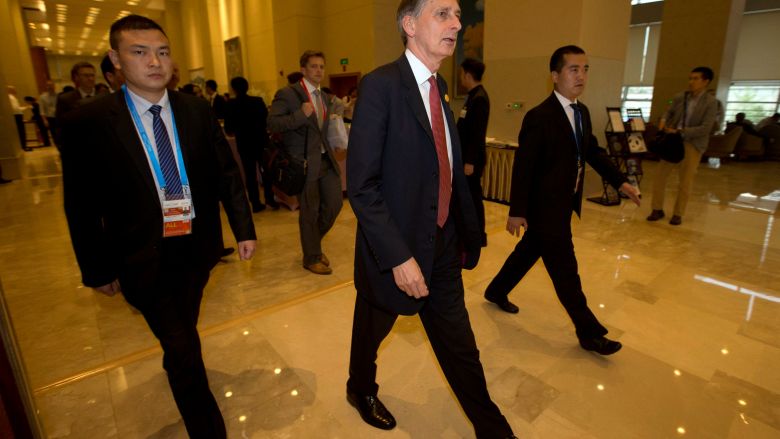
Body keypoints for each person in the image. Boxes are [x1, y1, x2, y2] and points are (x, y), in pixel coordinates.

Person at [61, 15, 256, 438]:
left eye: (163, 52)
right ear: (115, 59)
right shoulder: (88, 123)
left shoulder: (196, 110)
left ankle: (177, 352)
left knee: (182, 329)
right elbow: (80, 204)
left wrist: (244, 229)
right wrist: (96, 269)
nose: (154, 62)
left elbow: (226, 174)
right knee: (184, 346)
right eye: (139, 52)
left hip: (197, 249)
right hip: (139, 256)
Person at [346, 1, 516, 437]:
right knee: (371, 329)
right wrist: (398, 257)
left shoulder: (440, 89)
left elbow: (449, 170)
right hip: (394, 250)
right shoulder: (381, 86)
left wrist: (466, 234)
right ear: (409, 25)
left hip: (440, 245)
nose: (457, 24)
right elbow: (362, 185)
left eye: (457, 14)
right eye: (443, 13)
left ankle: (490, 426)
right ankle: (360, 387)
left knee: (459, 343)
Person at [483, 45, 641, 357]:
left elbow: (592, 152)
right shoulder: (539, 117)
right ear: (555, 76)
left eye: (585, 69)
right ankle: (589, 332)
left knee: (528, 252)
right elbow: (524, 167)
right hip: (545, 209)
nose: (581, 75)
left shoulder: (581, 112)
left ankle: (496, 289)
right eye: (573, 69)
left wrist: (621, 181)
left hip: (564, 204)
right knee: (566, 272)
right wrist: (517, 211)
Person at [268, 50, 343, 275]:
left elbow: (322, 129)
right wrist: (300, 115)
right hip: (302, 163)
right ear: (303, 69)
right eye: (313, 66)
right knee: (309, 212)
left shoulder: (324, 96)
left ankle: (313, 244)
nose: (318, 70)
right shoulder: (288, 94)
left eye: (321, 66)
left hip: (325, 159)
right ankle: (311, 257)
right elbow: (272, 123)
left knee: (334, 204)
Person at [647, 66, 718, 226]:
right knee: (660, 177)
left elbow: (706, 128)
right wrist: (664, 122)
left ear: (705, 81)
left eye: (695, 79)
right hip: (672, 142)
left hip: (692, 144)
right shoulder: (680, 97)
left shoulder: (711, 103)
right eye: (690, 78)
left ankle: (678, 213)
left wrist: (682, 132)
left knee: (685, 182)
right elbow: (669, 111)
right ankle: (657, 209)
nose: (691, 82)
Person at [224, 76, 278, 211]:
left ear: (233, 89)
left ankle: (255, 203)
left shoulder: (231, 104)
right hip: (260, 141)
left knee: (250, 174)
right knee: (266, 171)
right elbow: (267, 121)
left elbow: (228, 129)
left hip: (244, 143)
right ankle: (270, 198)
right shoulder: (258, 101)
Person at [457, 58, 490, 247]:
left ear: (468, 75)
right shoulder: (473, 96)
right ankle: (471, 232)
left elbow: (477, 133)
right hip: (467, 158)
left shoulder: (479, 99)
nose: (461, 78)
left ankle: (478, 235)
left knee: (473, 197)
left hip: (472, 160)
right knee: (469, 196)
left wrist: (469, 161)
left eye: (462, 74)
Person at [7, 86, 30, 151]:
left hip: (17, 115)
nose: (15, 90)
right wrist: (25, 108)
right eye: (14, 89)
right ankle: (23, 146)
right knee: (21, 131)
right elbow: (15, 108)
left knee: (20, 131)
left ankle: (23, 146)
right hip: (17, 116)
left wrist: (25, 108)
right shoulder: (11, 98)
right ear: (11, 90)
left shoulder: (12, 98)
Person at [39, 80, 58, 146]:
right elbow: (42, 110)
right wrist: (44, 120)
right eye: (48, 86)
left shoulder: (58, 95)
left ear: (54, 86)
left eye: (51, 85)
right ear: (46, 87)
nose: (50, 87)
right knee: (54, 134)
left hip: (59, 117)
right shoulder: (42, 97)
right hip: (50, 118)